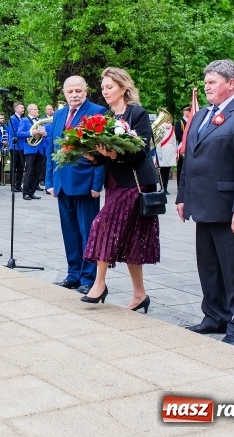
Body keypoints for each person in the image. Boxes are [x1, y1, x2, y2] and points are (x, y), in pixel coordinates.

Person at [177, 59, 234, 348]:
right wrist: (183, 196)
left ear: (231, 83)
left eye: (212, 82)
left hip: (232, 210)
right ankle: (215, 316)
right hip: (204, 206)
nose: (206, 86)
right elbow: (189, 159)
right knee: (209, 268)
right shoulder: (201, 115)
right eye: (205, 82)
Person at [80, 68, 160, 312]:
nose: (105, 91)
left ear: (123, 88)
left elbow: (141, 151)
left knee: (101, 224)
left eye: (110, 87)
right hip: (115, 183)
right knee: (132, 240)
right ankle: (140, 295)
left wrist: (115, 154)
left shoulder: (138, 113)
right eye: (103, 87)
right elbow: (104, 156)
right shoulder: (105, 116)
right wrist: (92, 155)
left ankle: (99, 285)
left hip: (136, 184)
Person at [45, 76, 105, 295]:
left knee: (88, 232)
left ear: (86, 91)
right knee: (69, 232)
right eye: (70, 91)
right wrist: (50, 181)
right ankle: (73, 274)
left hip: (85, 184)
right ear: (64, 93)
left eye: (78, 91)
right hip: (62, 183)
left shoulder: (97, 111)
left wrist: (97, 184)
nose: (74, 95)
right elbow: (52, 150)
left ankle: (89, 278)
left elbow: (101, 151)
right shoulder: (59, 115)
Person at [17, 104, 45, 200]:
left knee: (37, 171)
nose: (37, 111)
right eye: (36, 109)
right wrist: (31, 133)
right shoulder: (24, 120)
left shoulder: (39, 121)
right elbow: (19, 133)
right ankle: (25, 192)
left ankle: (32, 192)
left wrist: (44, 133)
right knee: (29, 171)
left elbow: (42, 134)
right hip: (30, 149)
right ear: (30, 110)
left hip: (39, 149)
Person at [7, 102, 26, 192]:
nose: (23, 109)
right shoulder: (12, 119)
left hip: (22, 146)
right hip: (15, 145)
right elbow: (14, 132)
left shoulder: (23, 119)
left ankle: (19, 184)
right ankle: (13, 185)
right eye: (21, 108)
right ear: (16, 109)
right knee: (13, 166)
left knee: (21, 167)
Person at [155, 121, 177, 194]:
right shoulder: (161, 128)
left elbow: (174, 141)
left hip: (168, 151)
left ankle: (165, 188)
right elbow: (158, 142)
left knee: (166, 171)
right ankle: (162, 187)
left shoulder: (171, 129)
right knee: (163, 171)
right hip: (164, 150)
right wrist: (159, 153)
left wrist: (175, 151)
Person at [174, 105, 191, 184]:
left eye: (190, 110)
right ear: (183, 111)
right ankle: (180, 184)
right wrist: (186, 140)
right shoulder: (179, 122)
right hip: (182, 146)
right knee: (181, 166)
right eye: (188, 110)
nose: (189, 112)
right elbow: (178, 135)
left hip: (190, 146)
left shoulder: (192, 121)